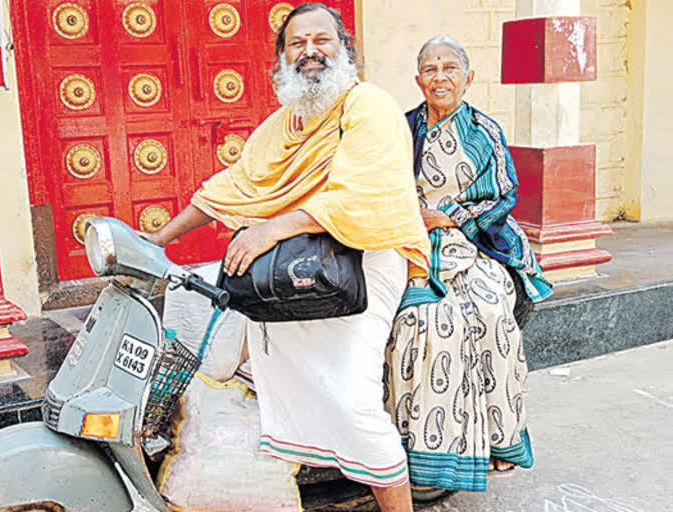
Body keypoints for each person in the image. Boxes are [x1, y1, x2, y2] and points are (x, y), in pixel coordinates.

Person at [147, 4, 430, 511]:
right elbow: (231, 187)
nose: (310, 52)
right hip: (292, 272)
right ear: (281, 59)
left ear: (345, 48)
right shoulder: (284, 123)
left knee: (351, 399)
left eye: (322, 40)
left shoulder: (368, 104)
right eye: (296, 44)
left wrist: (274, 227)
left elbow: (364, 193)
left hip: (364, 263)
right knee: (250, 377)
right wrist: (156, 241)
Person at [383, 34, 553, 493]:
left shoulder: (485, 131)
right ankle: (412, 447)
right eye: (431, 70)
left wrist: (452, 216)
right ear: (419, 80)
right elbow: (381, 188)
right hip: (411, 242)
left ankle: (499, 441)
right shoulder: (402, 129)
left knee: (493, 312)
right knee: (421, 321)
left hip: (474, 241)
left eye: (449, 68)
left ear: (467, 77)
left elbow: (504, 193)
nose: (440, 78)